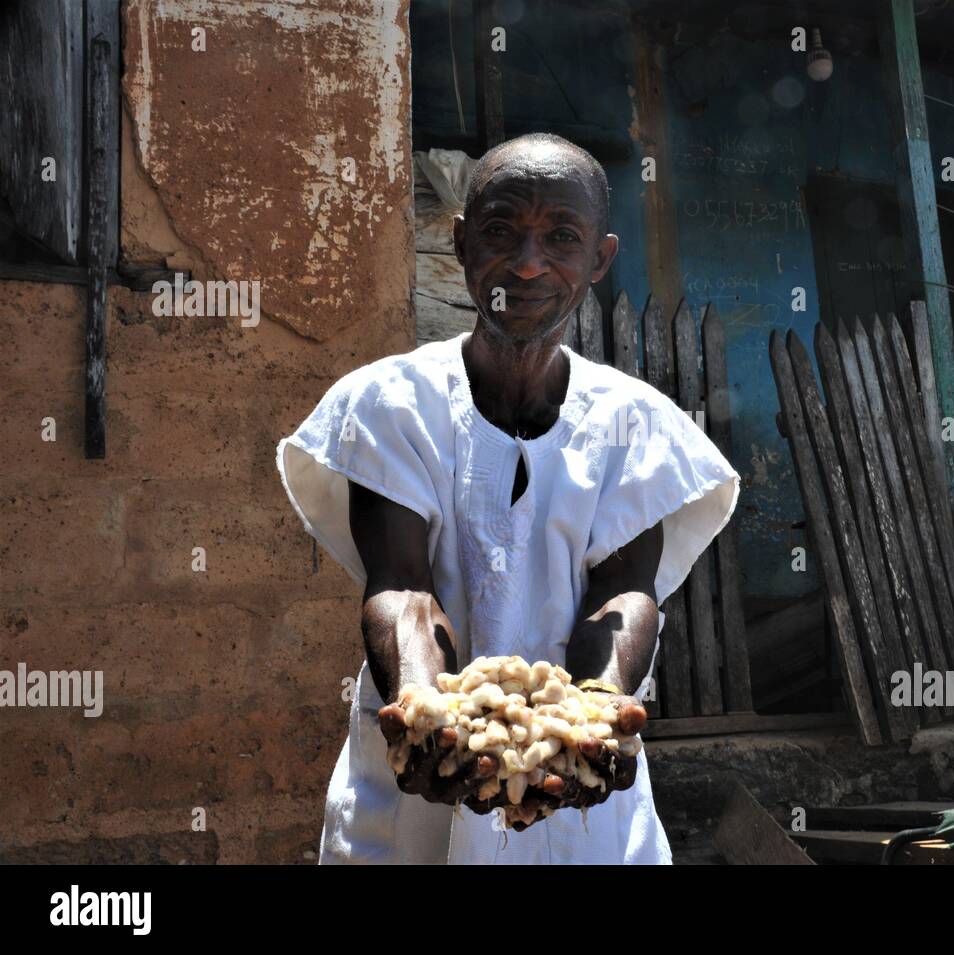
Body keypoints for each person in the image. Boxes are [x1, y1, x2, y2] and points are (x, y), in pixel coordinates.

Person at [276, 132, 739, 864]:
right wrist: (426, 716)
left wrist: (596, 716)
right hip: (412, 813)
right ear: (461, 243)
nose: (527, 264)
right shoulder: (391, 404)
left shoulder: (636, 424)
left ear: (599, 260)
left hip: (581, 825)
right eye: (500, 231)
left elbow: (620, 595)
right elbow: (403, 588)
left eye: (561, 237)